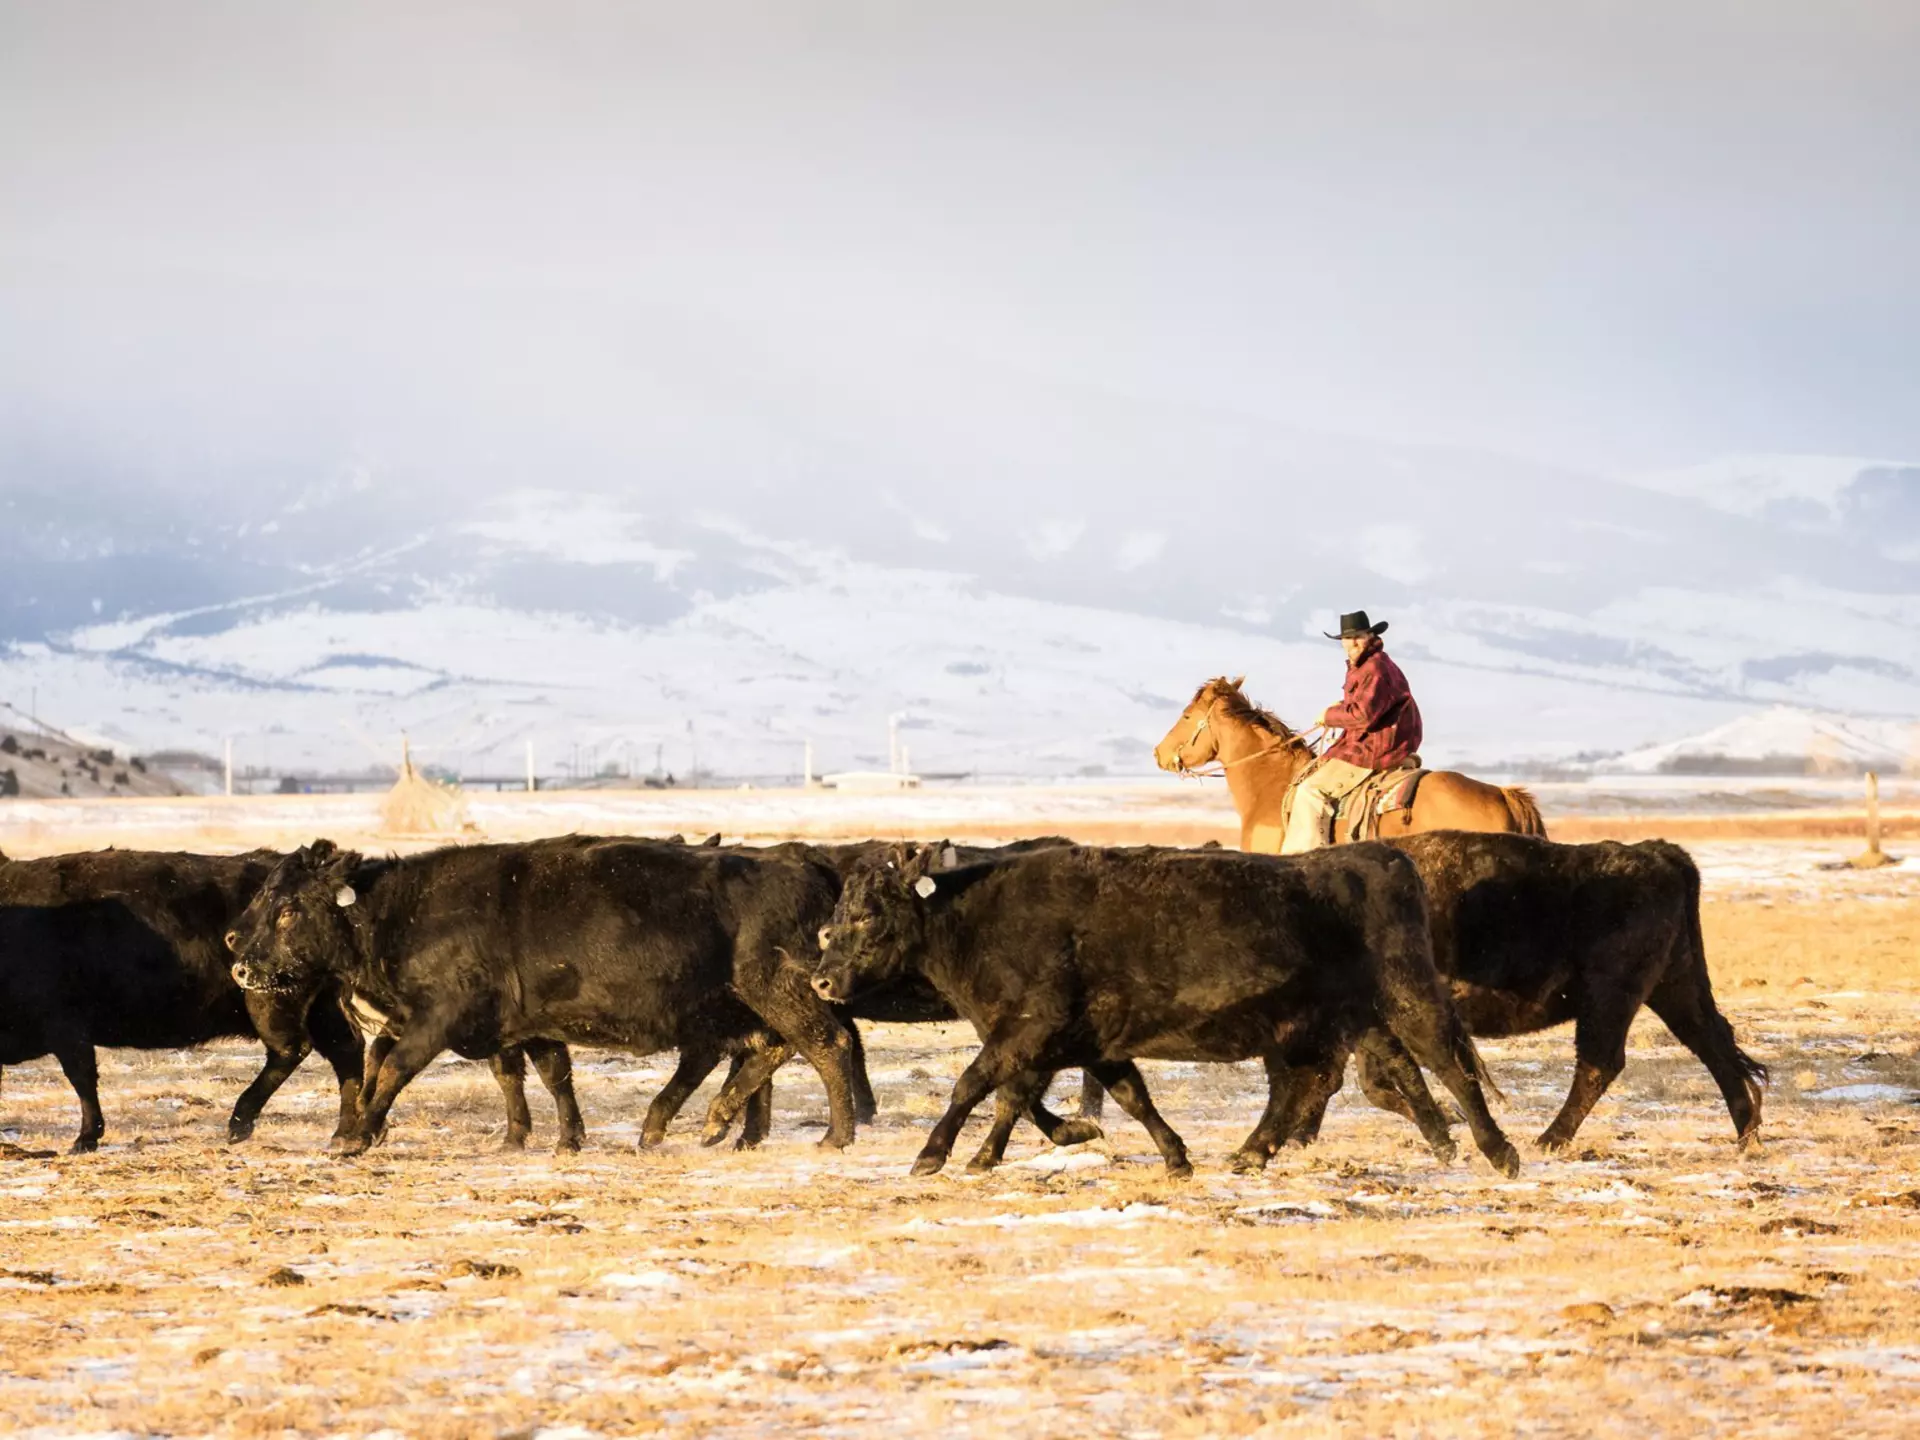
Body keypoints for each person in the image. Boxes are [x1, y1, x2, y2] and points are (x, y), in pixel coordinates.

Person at [1279, 610, 1424, 853]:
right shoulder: (1368, 665)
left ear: (1370, 636)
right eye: (1347, 638)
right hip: (1380, 741)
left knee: (1311, 791)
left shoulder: (1374, 668)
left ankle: (1305, 862)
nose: (1352, 643)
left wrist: (1329, 717)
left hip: (1374, 748)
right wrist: (1339, 707)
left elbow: (1363, 715)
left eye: (1358, 636)